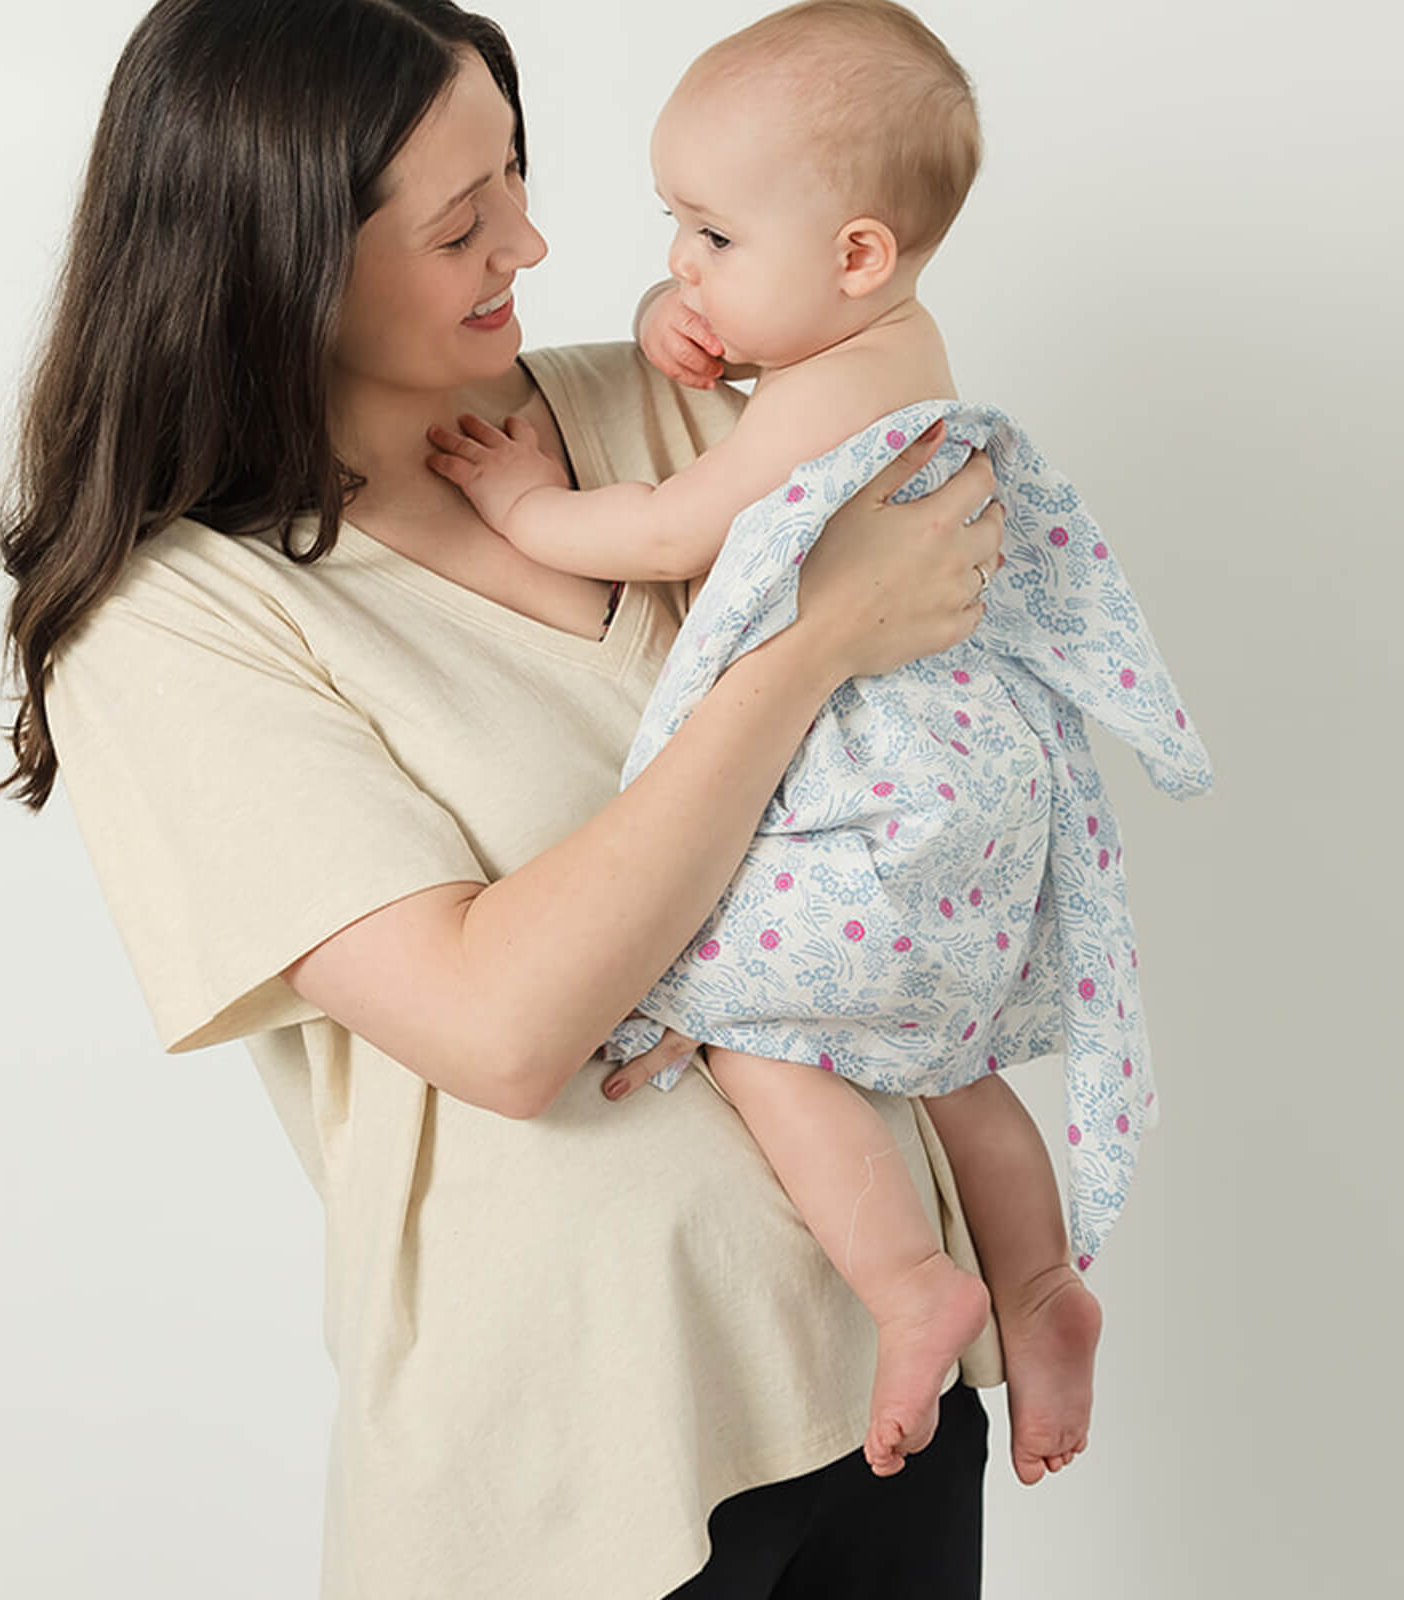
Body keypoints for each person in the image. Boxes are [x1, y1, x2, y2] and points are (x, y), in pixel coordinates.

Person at [0, 2, 1008, 1595]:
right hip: (576, 1461)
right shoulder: (182, 619)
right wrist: (812, 648)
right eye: (465, 223)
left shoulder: (663, 419)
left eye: (518, 177)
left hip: (875, 1368)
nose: (532, 242)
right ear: (280, 258)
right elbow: (505, 1027)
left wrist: (660, 915)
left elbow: (953, 663)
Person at [427, 0, 1207, 1485]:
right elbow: (784, 421)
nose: (679, 265)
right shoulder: (880, 344)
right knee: (944, 1056)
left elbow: (674, 528)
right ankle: (1040, 1285)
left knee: (756, 1028)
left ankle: (918, 1281)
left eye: (709, 237)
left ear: (852, 255)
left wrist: (526, 505)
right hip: (975, 783)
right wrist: (705, 337)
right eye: (676, 228)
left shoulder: (836, 382)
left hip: (887, 771)